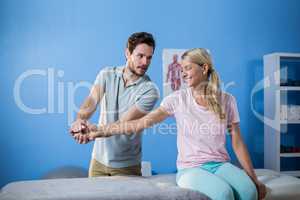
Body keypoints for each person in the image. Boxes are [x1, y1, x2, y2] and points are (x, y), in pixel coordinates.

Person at [76, 48, 267, 200]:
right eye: (181, 69)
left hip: (220, 164)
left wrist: (254, 179)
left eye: (188, 68)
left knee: (249, 192)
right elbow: (140, 123)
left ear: (204, 68)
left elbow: (237, 142)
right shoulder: (176, 100)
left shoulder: (227, 100)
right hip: (190, 169)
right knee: (223, 194)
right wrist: (98, 131)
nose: (183, 73)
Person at [69, 32, 159, 177]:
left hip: (126, 166)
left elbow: (123, 124)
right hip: (98, 161)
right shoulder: (106, 74)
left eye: (149, 58)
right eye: (140, 56)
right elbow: (91, 101)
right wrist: (80, 120)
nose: (145, 62)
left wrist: (94, 133)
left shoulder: (150, 90)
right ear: (127, 53)